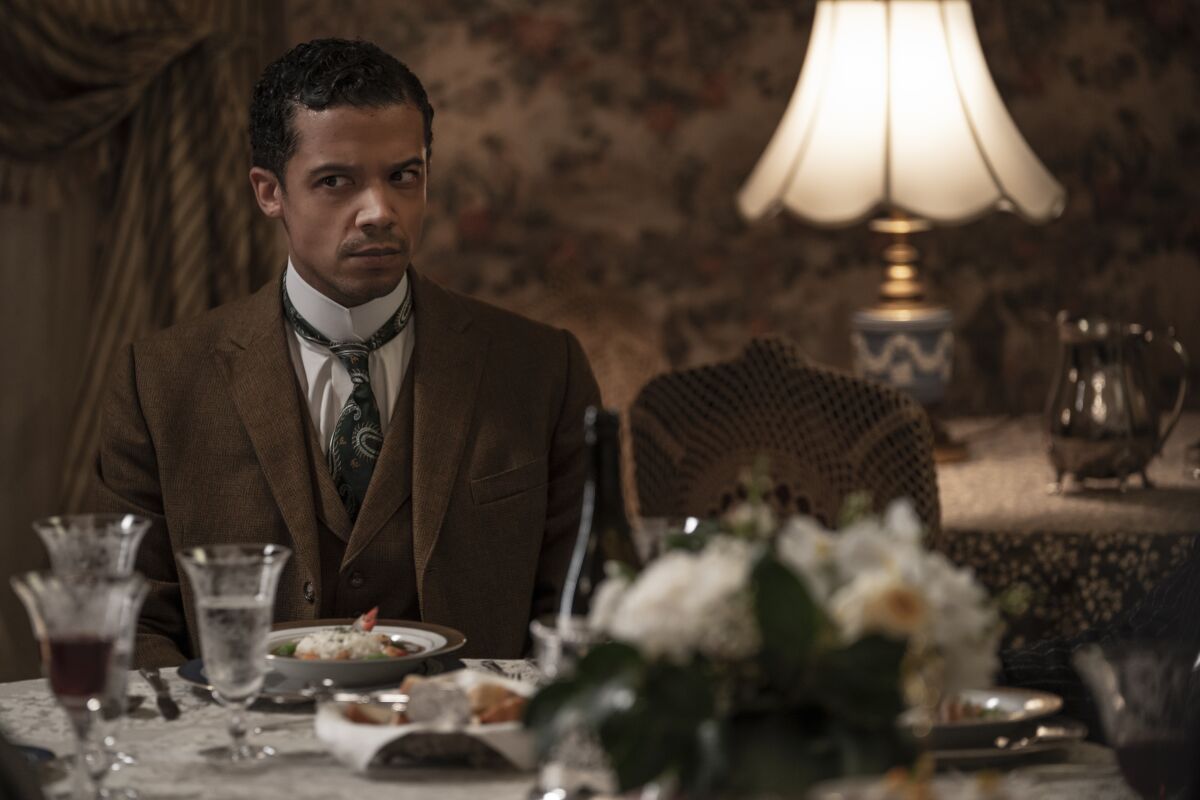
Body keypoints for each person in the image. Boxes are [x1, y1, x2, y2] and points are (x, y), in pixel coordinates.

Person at [91, 38, 600, 666]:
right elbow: (131, 619)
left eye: (403, 177)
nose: (379, 212)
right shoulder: (160, 382)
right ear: (268, 192)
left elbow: (583, 608)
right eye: (336, 181)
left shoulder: (542, 367)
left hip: (468, 747)